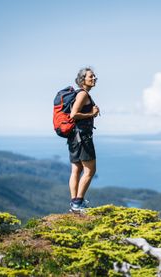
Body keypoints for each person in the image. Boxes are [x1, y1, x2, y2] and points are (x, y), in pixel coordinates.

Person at [67, 67, 100, 213]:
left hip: (74, 137)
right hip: (83, 138)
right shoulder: (83, 95)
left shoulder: (78, 94)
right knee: (90, 170)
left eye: (94, 76)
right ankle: (78, 203)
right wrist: (92, 114)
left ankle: (75, 203)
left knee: (76, 169)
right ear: (82, 80)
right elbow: (74, 115)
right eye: (91, 76)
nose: (94, 78)